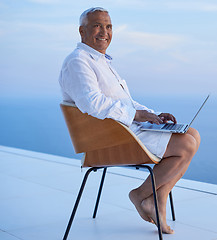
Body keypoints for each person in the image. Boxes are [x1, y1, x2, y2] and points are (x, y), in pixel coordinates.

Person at [58, 7, 200, 234]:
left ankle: (160, 194)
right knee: (186, 144)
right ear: (82, 31)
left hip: (124, 130)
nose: (104, 32)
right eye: (97, 25)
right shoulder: (78, 61)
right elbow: (91, 103)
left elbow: (127, 102)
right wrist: (137, 116)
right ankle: (142, 194)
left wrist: (153, 115)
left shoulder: (101, 61)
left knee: (192, 134)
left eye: (108, 26)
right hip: (108, 139)